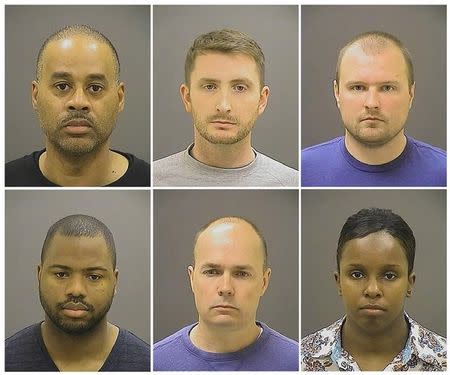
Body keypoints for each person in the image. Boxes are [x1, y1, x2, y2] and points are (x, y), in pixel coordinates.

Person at [301, 208, 446, 371]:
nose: (372, 290)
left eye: (389, 275)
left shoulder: (443, 360)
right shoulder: (302, 359)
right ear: (339, 282)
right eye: (357, 274)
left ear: (409, 283)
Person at [6, 25, 150, 186]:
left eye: (95, 88)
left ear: (120, 98)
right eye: (62, 86)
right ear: (35, 95)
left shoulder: (150, 180)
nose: (79, 102)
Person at [153, 29, 298, 187]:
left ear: (261, 100)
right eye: (209, 86)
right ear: (187, 97)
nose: (223, 106)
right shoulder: (152, 179)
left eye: (240, 88)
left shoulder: (292, 182)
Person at [6, 214, 150, 371]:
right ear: (39, 275)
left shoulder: (149, 365)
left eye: (94, 276)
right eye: (61, 274)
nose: (76, 290)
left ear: (115, 281)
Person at [301, 31, 446, 187]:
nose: (371, 103)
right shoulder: (302, 171)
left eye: (387, 88)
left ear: (411, 94)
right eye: (357, 87)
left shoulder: (444, 172)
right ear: (337, 92)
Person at [153, 216, 298, 370]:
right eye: (212, 272)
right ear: (192, 278)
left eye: (241, 274)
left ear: (264, 282)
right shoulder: (155, 363)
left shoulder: (296, 363)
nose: (225, 288)